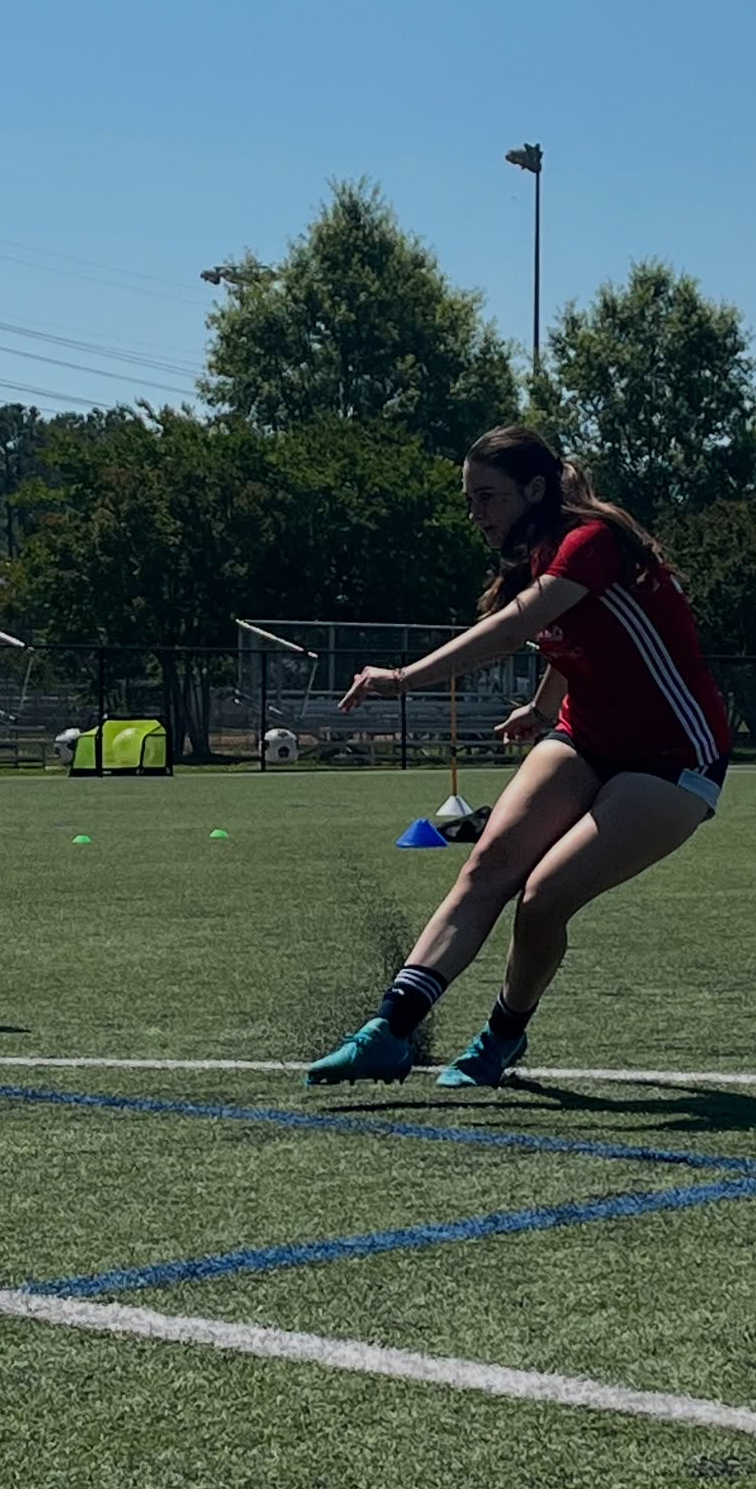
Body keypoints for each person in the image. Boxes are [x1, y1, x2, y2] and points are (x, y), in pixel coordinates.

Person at [306, 424, 731, 1091]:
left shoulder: (589, 542)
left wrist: (403, 677)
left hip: (675, 758)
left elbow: (512, 630)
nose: (475, 514)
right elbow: (576, 639)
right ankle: (386, 1032)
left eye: (488, 497)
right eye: (470, 498)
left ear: (535, 490)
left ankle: (503, 1036)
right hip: (585, 737)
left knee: (542, 898)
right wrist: (541, 708)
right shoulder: (535, 559)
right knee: (487, 866)